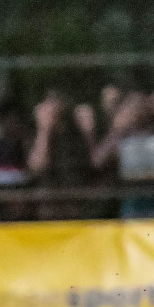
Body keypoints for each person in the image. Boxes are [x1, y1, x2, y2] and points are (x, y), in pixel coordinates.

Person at [90, 89, 154, 219]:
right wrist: (117, 129)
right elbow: (97, 160)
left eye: (143, 106)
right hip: (132, 208)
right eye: (133, 107)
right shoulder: (122, 142)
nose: (139, 112)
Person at [28, 90, 99, 221]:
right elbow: (37, 166)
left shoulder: (77, 134)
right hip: (49, 210)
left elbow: (95, 163)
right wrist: (44, 130)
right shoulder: (35, 135)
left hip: (77, 209)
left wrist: (89, 132)